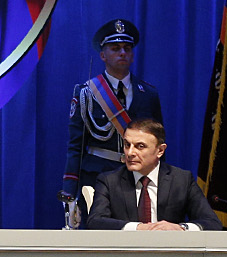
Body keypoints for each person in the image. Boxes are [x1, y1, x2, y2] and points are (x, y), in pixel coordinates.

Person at [60, 18, 165, 226]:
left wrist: (160, 184)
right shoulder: (86, 93)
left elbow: (158, 144)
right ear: (103, 55)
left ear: (132, 54)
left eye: (127, 48)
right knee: (98, 236)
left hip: (137, 178)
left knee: (138, 234)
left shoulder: (148, 94)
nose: (122, 53)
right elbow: (75, 147)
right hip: (97, 178)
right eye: (115, 48)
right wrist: (70, 193)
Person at [86, 120, 222, 231]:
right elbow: (95, 221)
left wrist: (181, 228)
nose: (130, 153)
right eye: (127, 145)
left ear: (160, 150)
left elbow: (212, 223)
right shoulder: (109, 181)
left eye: (140, 146)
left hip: (170, 253)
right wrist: (138, 228)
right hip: (126, 253)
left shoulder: (181, 180)